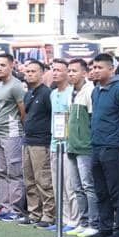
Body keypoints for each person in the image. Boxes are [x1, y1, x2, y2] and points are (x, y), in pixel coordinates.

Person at [89, 53, 119, 237]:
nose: (95, 71)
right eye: (94, 67)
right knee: (101, 191)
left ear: (111, 69)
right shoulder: (96, 91)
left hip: (114, 147)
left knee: (118, 192)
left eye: (100, 67)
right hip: (97, 146)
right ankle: (105, 227)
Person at [19, 59, 55, 228]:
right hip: (27, 140)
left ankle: (49, 215)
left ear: (42, 73)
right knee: (29, 180)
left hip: (42, 142)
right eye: (27, 71)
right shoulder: (28, 93)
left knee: (43, 180)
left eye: (33, 71)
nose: (29, 74)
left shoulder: (47, 93)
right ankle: (34, 213)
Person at [65, 58, 99, 237]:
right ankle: (83, 222)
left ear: (84, 73)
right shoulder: (71, 92)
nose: (70, 74)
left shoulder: (90, 91)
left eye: (74, 71)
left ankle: (94, 223)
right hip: (72, 146)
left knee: (88, 186)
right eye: (69, 70)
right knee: (77, 187)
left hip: (85, 147)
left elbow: (93, 119)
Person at [0, 53, 26, 219]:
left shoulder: (16, 86)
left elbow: (23, 110)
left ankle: (16, 209)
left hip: (13, 133)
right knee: (2, 172)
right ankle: (5, 206)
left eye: (3, 65)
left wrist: (20, 128)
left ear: (11, 66)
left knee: (15, 172)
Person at [48, 59, 75, 227]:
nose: (55, 73)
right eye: (53, 69)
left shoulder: (72, 93)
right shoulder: (52, 93)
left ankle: (73, 220)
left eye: (59, 70)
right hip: (54, 144)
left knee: (69, 185)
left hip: (68, 145)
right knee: (57, 186)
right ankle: (62, 220)